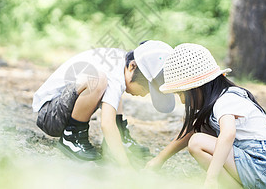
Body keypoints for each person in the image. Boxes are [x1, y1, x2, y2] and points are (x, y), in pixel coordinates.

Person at [146, 43, 266, 189]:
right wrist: (158, 160)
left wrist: (211, 179)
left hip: (260, 163)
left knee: (197, 142)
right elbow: (190, 131)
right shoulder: (219, 101)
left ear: (196, 88)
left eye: (180, 93)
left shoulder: (226, 100)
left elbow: (228, 134)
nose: (182, 101)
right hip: (257, 163)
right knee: (198, 130)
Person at [32, 40, 175, 166]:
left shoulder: (121, 63)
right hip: (50, 115)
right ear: (132, 66)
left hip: (59, 108)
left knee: (114, 88)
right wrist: (125, 166)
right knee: (99, 79)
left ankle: (119, 136)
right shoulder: (113, 72)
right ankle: (72, 136)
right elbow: (106, 124)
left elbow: (112, 100)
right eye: (145, 89)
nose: (144, 94)